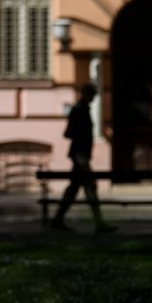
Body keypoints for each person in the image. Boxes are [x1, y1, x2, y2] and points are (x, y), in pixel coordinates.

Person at [50, 83, 116, 234]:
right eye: (92, 95)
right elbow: (68, 133)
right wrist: (80, 140)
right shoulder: (78, 110)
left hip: (81, 156)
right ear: (86, 94)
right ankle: (100, 224)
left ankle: (57, 220)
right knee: (90, 188)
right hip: (80, 157)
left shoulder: (83, 110)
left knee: (73, 190)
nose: (93, 99)